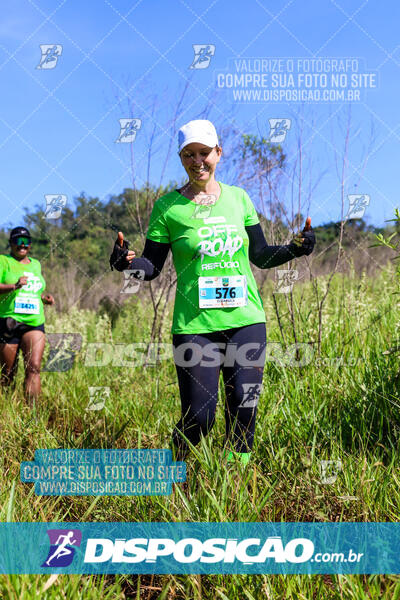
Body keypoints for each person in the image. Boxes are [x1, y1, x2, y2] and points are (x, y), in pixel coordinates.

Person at [110, 120, 315, 465]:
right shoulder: (168, 208)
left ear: (218, 153)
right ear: (181, 158)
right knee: (199, 419)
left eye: (204, 153)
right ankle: (171, 473)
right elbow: (151, 266)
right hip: (194, 325)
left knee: (244, 412)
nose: (197, 161)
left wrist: (295, 248)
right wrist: (126, 263)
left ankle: (235, 490)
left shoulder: (239, 199)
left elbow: (261, 256)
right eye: (188, 155)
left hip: (246, 319)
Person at [0, 227, 55, 402]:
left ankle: (33, 417)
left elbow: (34, 290)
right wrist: (14, 286)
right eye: (18, 241)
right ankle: (6, 413)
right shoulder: (3, 261)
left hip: (34, 321)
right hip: (9, 321)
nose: (22, 245)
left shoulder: (36, 264)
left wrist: (44, 298)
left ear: (30, 245)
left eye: (26, 242)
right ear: (11, 243)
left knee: (34, 368)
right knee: (7, 374)